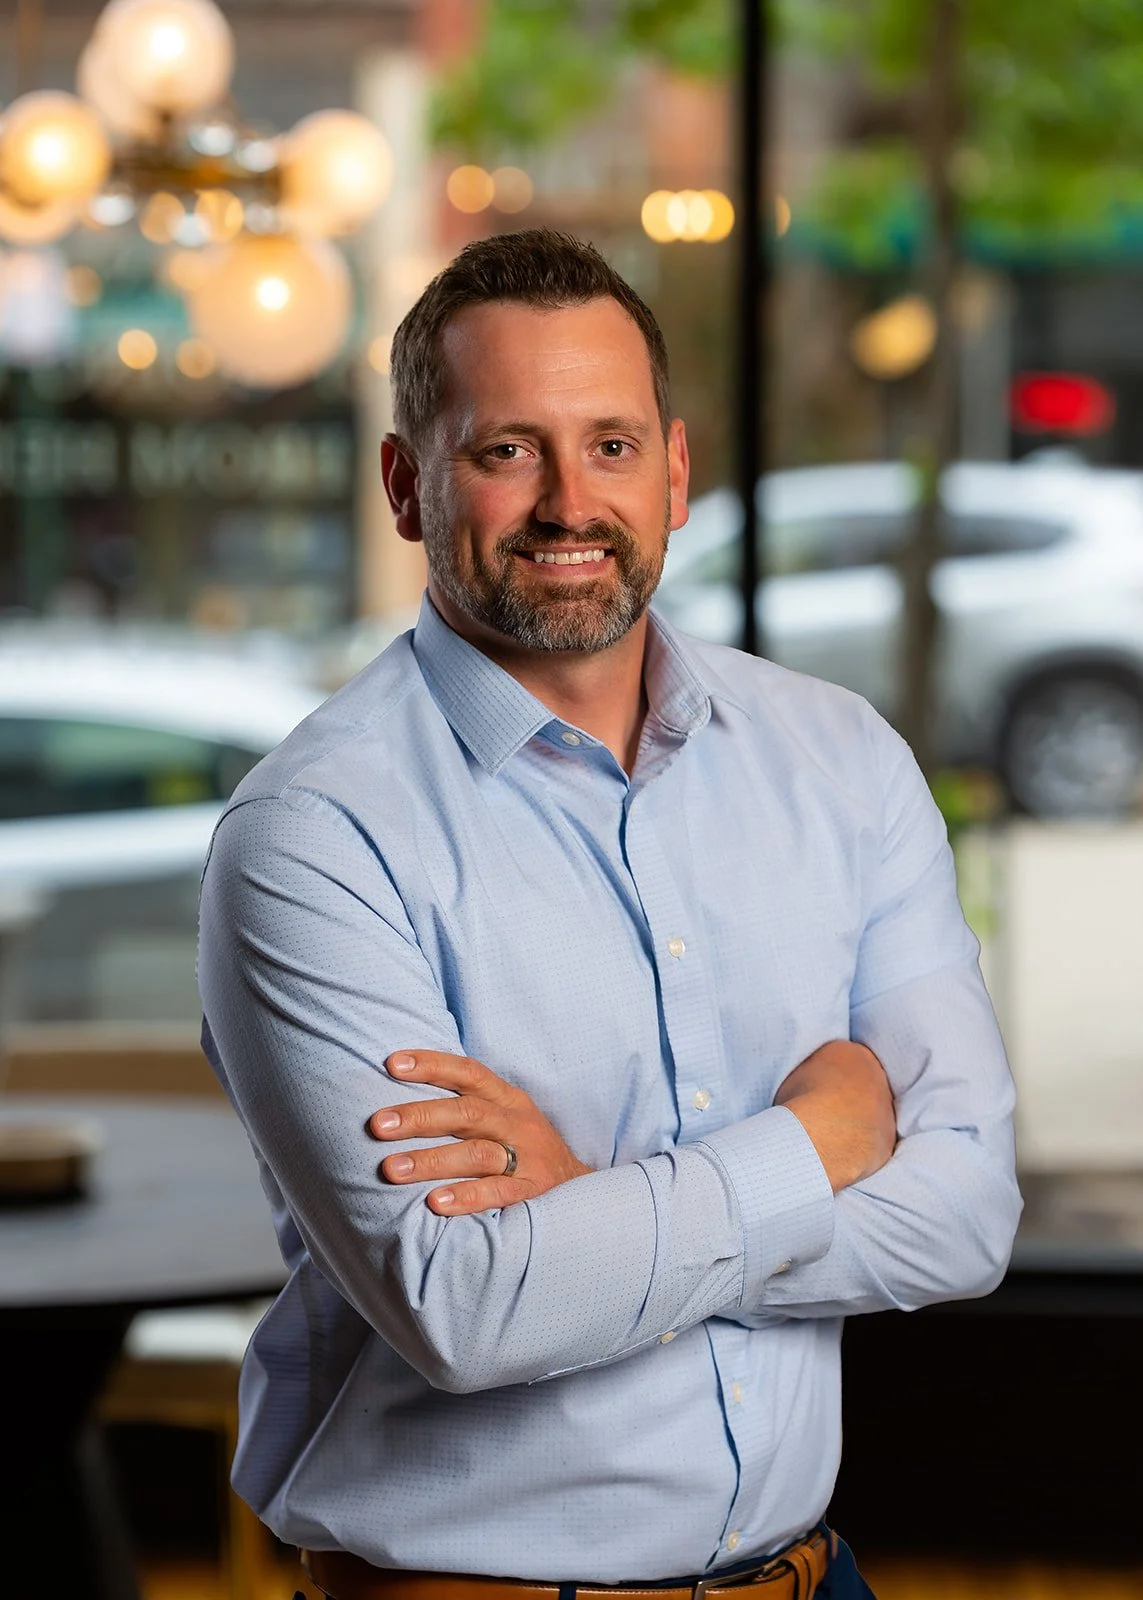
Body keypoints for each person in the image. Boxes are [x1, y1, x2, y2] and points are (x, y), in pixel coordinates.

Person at [198, 229, 1022, 1600]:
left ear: (677, 471)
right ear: (407, 483)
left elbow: (963, 1216)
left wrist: (591, 1209)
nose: (570, 501)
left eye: (613, 446)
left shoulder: (838, 760)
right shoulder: (312, 840)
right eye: (505, 450)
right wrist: (808, 1147)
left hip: (810, 1580)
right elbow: (467, 1307)